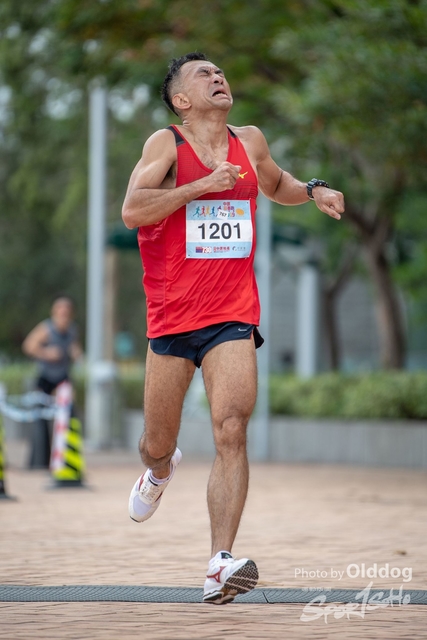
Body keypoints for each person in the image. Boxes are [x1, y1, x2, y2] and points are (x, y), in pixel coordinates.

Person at [122, 52, 345, 605]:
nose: (218, 76)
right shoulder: (165, 145)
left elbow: (276, 183)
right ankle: (158, 471)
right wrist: (201, 186)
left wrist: (313, 190)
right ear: (181, 100)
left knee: (231, 428)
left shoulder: (251, 141)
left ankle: (220, 564)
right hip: (172, 317)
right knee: (156, 443)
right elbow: (133, 210)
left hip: (232, 313)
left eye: (220, 71)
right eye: (204, 74)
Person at [22, 295, 82, 395]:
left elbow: (75, 348)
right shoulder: (46, 329)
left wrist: (76, 354)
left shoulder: (72, 331)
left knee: (67, 403)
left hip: (63, 377)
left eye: (66, 313)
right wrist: (46, 353)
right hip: (45, 377)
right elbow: (28, 346)